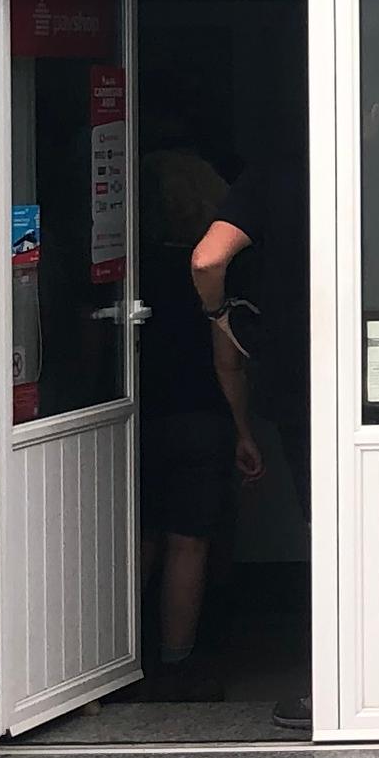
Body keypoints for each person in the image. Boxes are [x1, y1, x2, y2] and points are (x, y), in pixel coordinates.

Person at [141, 145, 285, 686]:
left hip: (140, 412)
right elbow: (229, 359)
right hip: (201, 413)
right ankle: (179, 660)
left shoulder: (131, 268)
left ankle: (123, 655)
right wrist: (245, 431)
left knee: (145, 532)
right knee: (189, 540)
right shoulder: (218, 275)